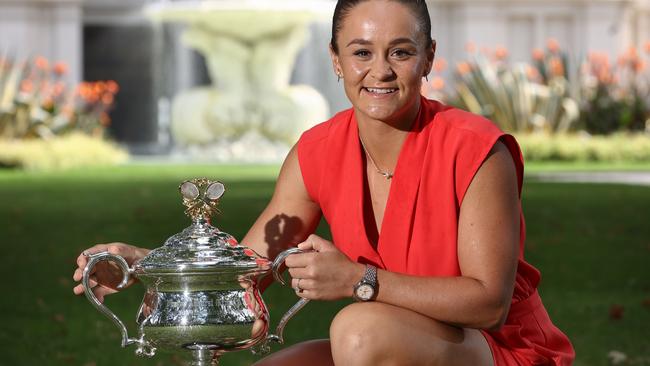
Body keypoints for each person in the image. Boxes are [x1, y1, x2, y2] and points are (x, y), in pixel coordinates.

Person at [73, 0, 575, 364]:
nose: (379, 70)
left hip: (499, 350)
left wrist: (358, 279)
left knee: (356, 329)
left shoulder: (477, 149)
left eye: (400, 52)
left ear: (428, 57)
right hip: (388, 342)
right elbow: (249, 273)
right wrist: (151, 268)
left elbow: (489, 303)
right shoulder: (316, 150)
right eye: (361, 53)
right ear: (335, 59)